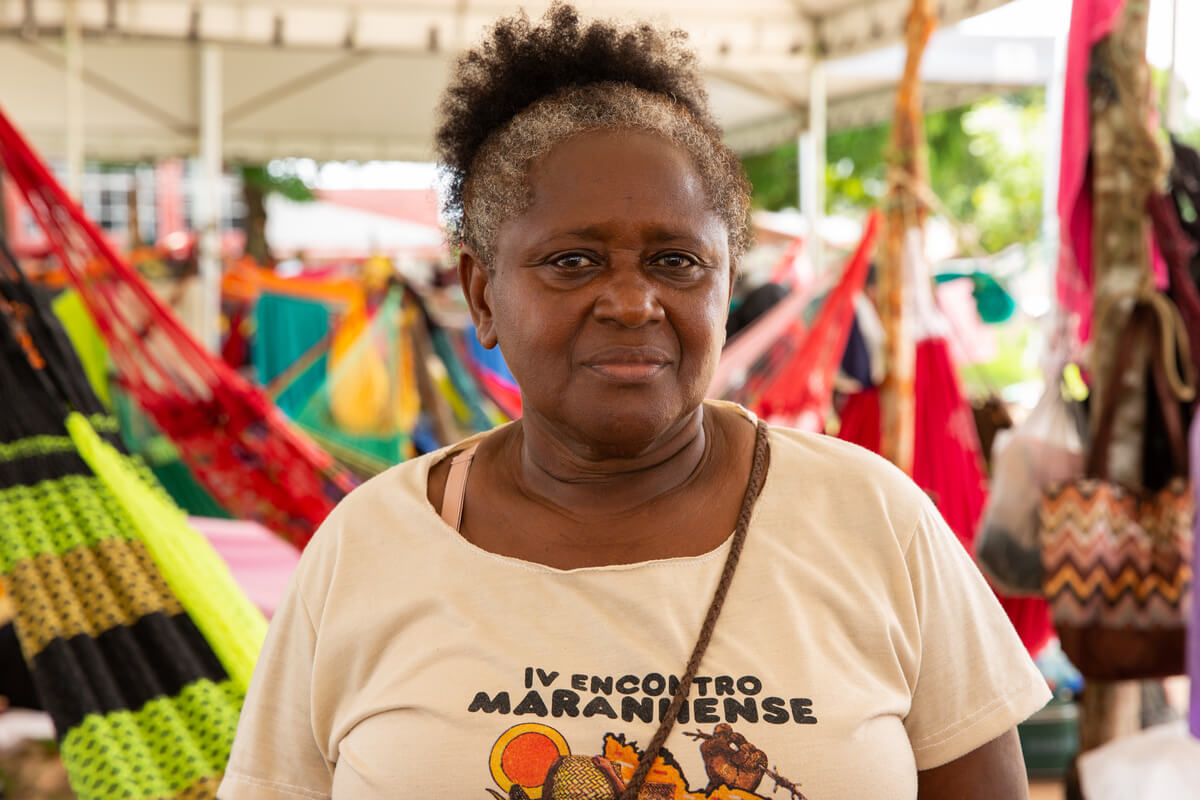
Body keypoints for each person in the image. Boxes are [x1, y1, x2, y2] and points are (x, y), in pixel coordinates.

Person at [218, 5, 1049, 799]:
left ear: (726, 285)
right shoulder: (369, 549)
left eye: (677, 262)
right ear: (481, 295)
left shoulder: (873, 522)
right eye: (572, 261)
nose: (631, 303)